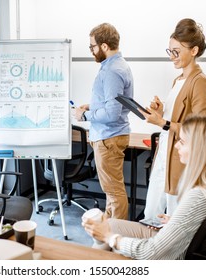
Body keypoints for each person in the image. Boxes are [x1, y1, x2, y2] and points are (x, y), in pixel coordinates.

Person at [82, 115, 206, 259]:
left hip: (176, 257)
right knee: (111, 223)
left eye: (181, 141)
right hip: (194, 245)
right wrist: (177, 221)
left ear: (200, 149)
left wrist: (110, 237)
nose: (176, 146)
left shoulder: (199, 196)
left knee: (108, 236)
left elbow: (150, 253)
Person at [140, 18, 206, 221]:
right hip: (164, 155)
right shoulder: (179, 80)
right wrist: (162, 111)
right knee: (151, 215)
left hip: (179, 161)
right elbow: (176, 118)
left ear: (194, 50)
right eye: (170, 51)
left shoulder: (200, 82)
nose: (172, 57)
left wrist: (162, 123)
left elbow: (200, 130)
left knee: (172, 220)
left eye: (177, 51)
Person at [74, 23, 134, 220]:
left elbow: (111, 114)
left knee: (114, 192)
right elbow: (112, 104)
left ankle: (117, 239)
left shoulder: (111, 71)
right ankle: (110, 231)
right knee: (112, 191)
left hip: (109, 137)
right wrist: (92, 106)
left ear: (105, 46)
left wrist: (85, 116)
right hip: (112, 135)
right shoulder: (118, 65)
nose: (92, 50)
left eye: (92, 46)